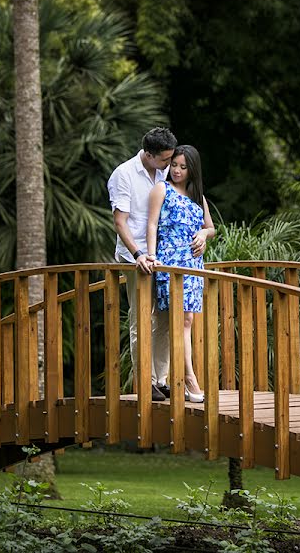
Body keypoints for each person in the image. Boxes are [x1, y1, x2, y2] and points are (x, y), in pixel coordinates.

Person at [107, 127, 178, 401]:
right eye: (164, 159)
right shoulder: (123, 175)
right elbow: (120, 222)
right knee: (141, 319)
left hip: (163, 256)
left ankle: (162, 379)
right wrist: (138, 254)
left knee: (164, 320)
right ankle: (145, 380)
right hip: (136, 256)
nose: (169, 165)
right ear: (148, 154)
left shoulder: (162, 174)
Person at [146, 145, 215, 403]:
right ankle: (189, 378)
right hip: (170, 263)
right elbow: (151, 224)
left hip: (194, 264)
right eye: (174, 164)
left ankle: (182, 379)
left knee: (187, 320)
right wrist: (152, 256)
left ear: (192, 169)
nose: (176, 170)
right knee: (181, 319)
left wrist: (203, 234)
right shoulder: (161, 190)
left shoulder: (198, 197)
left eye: (183, 167)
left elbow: (211, 228)